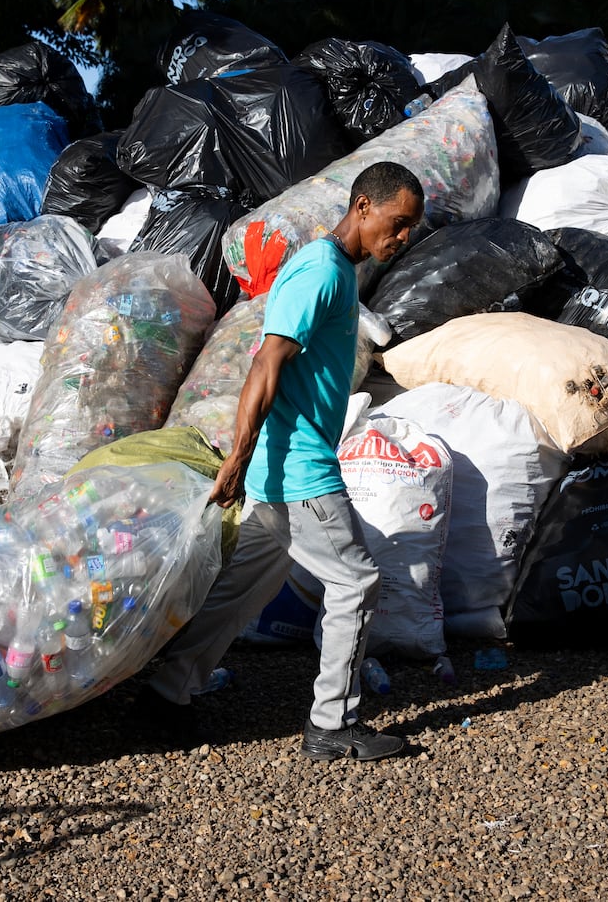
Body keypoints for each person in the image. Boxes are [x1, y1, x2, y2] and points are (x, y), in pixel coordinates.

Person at [138, 161, 425, 761]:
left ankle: (165, 692)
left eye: (410, 229)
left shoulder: (337, 270)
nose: (402, 237)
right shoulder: (321, 271)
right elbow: (266, 363)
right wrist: (237, 459)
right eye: (397, 223)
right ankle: (332, 725)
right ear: (363, 207)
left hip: (280, 466)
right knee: (356, 582)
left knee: (244, 587)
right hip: (299, 469)